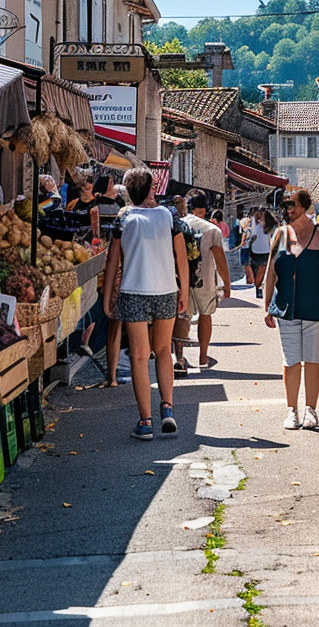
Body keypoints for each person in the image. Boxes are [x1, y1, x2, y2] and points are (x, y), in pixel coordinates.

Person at [102, 167, 189, 440]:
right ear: (150, 189)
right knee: (163, 350)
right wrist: (183, 291)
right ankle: (167, 407)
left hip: (134, 291)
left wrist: (107, 298)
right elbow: (182, 257)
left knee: (140, 357)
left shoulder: (124, 217)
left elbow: (112, 260)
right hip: (166, 290)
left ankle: (146, 422)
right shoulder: (169, 215)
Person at [263, 187, 319, 430]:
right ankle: (292, 410)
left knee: (313, 359)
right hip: (286, 307)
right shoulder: (279, 234)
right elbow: (271, 273)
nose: (289, 210)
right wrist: (267, 306)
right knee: (291, 361)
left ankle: (311, 410)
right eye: (286, 205)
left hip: (316, 305)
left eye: (293, 205)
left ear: (305, 207)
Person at [174, 191, 232, 373]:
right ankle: (203, 357)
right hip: (204, 280)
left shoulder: (178, 226)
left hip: (180, 278)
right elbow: (220, 258)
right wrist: (227, 285)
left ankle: (180, 358)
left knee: (182, 315)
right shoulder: (212, 230)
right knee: (206, 315)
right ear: (205, 208)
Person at [249, 208, 274, 299]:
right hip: (258, 251)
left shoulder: (268, 227)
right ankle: (258, 288)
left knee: (260, 271)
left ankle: (259, 288)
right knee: (259, 271)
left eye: (262, 215)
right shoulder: (261, 226)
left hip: (261, 251)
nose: (261, 217)